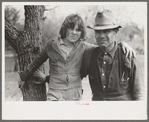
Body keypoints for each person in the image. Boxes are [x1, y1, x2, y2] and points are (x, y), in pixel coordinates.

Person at [19, 13, 135, 101]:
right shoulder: (52, 45)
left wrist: (121, 44)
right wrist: (23, 77)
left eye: (78, 30)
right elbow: (36, 63)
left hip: (75, 95)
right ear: (65, 29)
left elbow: (105, 47)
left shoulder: (85, 47)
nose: (74, 32)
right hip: (54, 94)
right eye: (71, 28)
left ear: (81, 32)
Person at [81, 9, 144, 101]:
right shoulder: (89, 55)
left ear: (116, 31)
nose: (101, 36)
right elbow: (73, 75)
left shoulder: (128, 56)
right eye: (98, 32)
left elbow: (139, 95)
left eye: (106, 31)